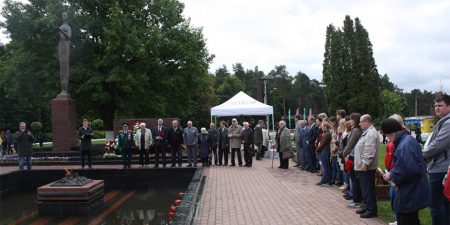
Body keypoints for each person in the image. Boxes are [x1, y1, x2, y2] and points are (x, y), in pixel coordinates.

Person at [381, 118, 430, 225]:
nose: (388, 139)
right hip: (411, 190)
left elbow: (408, 169)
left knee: (406, 220)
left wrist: (391, 174)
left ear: (393, 133)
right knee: (411, 219)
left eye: (388, 136)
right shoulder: (406, 140)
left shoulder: (405, 144)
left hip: (409, 192)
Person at [422, 94, 450, 225]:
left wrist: (421, 155)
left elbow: (438, 145)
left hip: (441, 168)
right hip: (439, 166)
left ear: (449, 106)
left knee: (435, 203)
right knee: (444, 203)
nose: (437, 108)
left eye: (440, 105)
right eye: (435, 106)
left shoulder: (448, 122)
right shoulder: (444, 120)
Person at [354, 114, 379, 218]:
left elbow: (369, 150)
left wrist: (365, 163)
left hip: (366, 167)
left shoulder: (371, 133)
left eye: (361, 122)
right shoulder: (367, 132)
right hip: (363, 166)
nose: (359, 124)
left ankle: (371, 209)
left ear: (367, 121)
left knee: (368, 189)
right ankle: (368, 206)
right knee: (366, 189)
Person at [342, 113, 363, 207]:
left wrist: (343, 153)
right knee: (353, 178)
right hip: (352, 155)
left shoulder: (356, 130)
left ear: (355, 120)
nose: (350, 121)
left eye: (351, 119)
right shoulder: (354, 130)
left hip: (354, 156)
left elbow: (350, 144)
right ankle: (356, 198)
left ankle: (356, 200)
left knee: (354, 179)